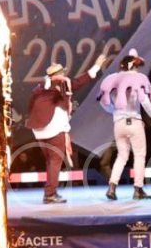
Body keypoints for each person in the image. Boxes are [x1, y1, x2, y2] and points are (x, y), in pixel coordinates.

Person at [27, 55, 106, 203]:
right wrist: (96, 66)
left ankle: (49, 192)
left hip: (39, 129)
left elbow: (31, 106)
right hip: (55, 128)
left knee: (50, 161)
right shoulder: (62, 82)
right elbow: (79, 82)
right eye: (63, 72)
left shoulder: (40, 87)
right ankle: (50, 194)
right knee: (55, 161)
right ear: (60, 74)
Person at [98, 50, 151, 200]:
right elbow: (144, 100)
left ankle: (112, 187)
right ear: (133, 66)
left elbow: (103, 102)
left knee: (121, 156)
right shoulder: (137, 79)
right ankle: (138, 189)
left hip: (119, 123)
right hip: (134, 121)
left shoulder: (113, 80)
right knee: (139, 155)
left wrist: (114, 111)